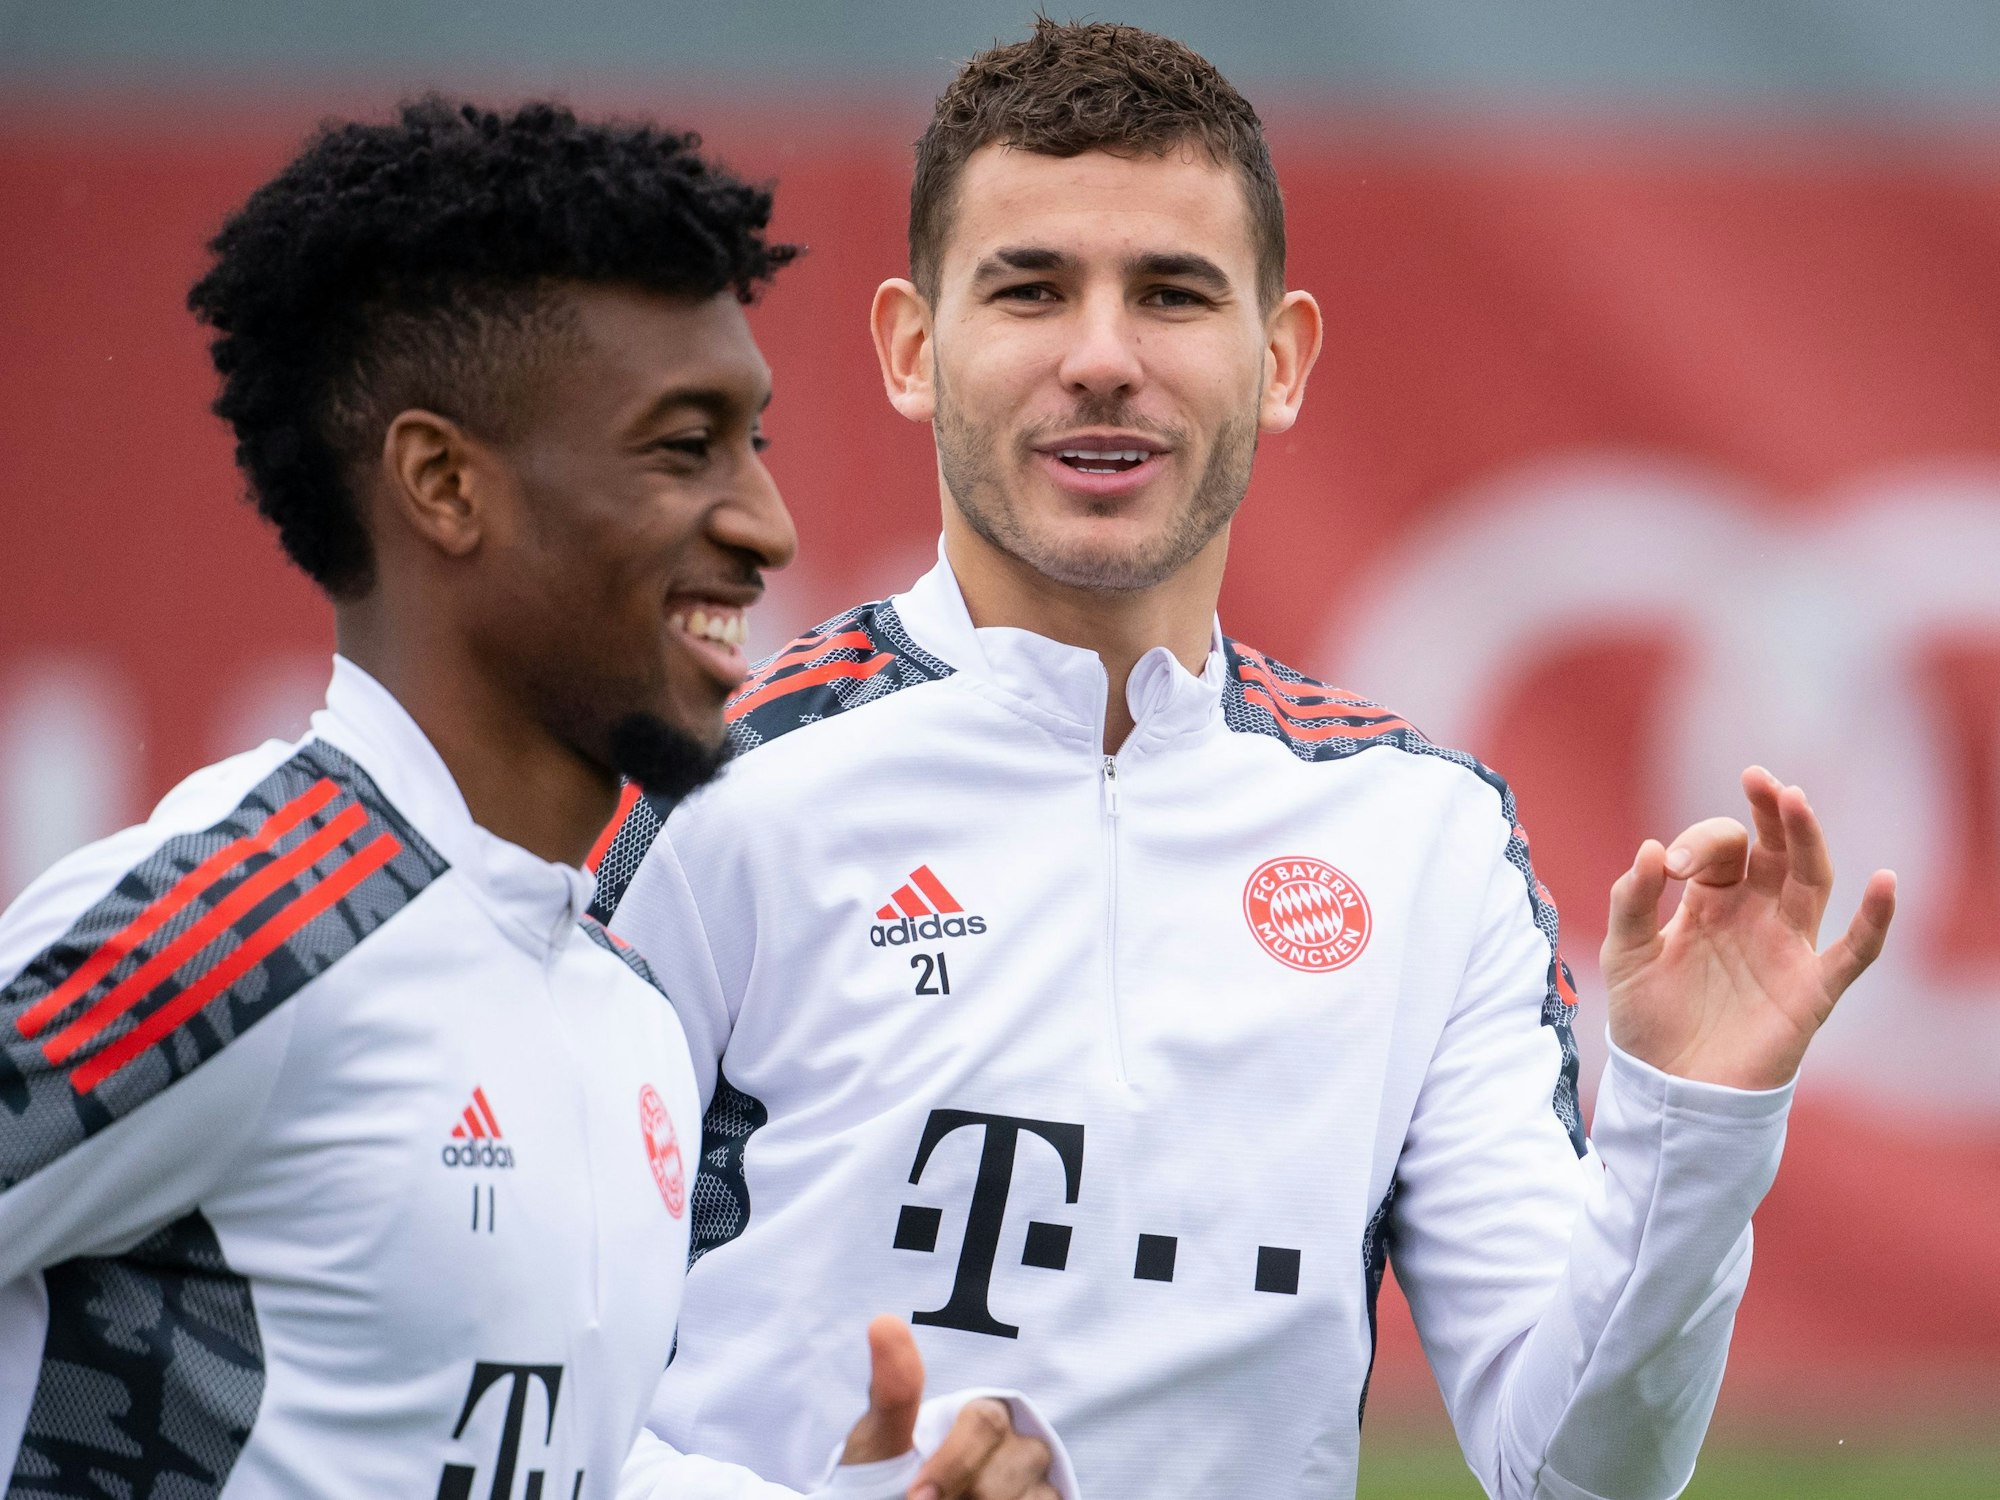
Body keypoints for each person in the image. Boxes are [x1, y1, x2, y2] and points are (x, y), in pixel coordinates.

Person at [592, 21, 1900, 1500]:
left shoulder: (1424, 840)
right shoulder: (706, 789)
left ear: (1279, 360)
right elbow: (496, 1389)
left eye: (1172, 293)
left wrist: (1689, 1129)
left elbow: (1574, 1473)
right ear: (911, 347)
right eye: (1030, 289)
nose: (1103, 359)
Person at [0, 99, 1070, 1500]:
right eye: (684, 447)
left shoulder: (622, 1009)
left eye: (754, 442)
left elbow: (554, 1463)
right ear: (445, 484)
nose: (767, 524)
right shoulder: (244, 929)